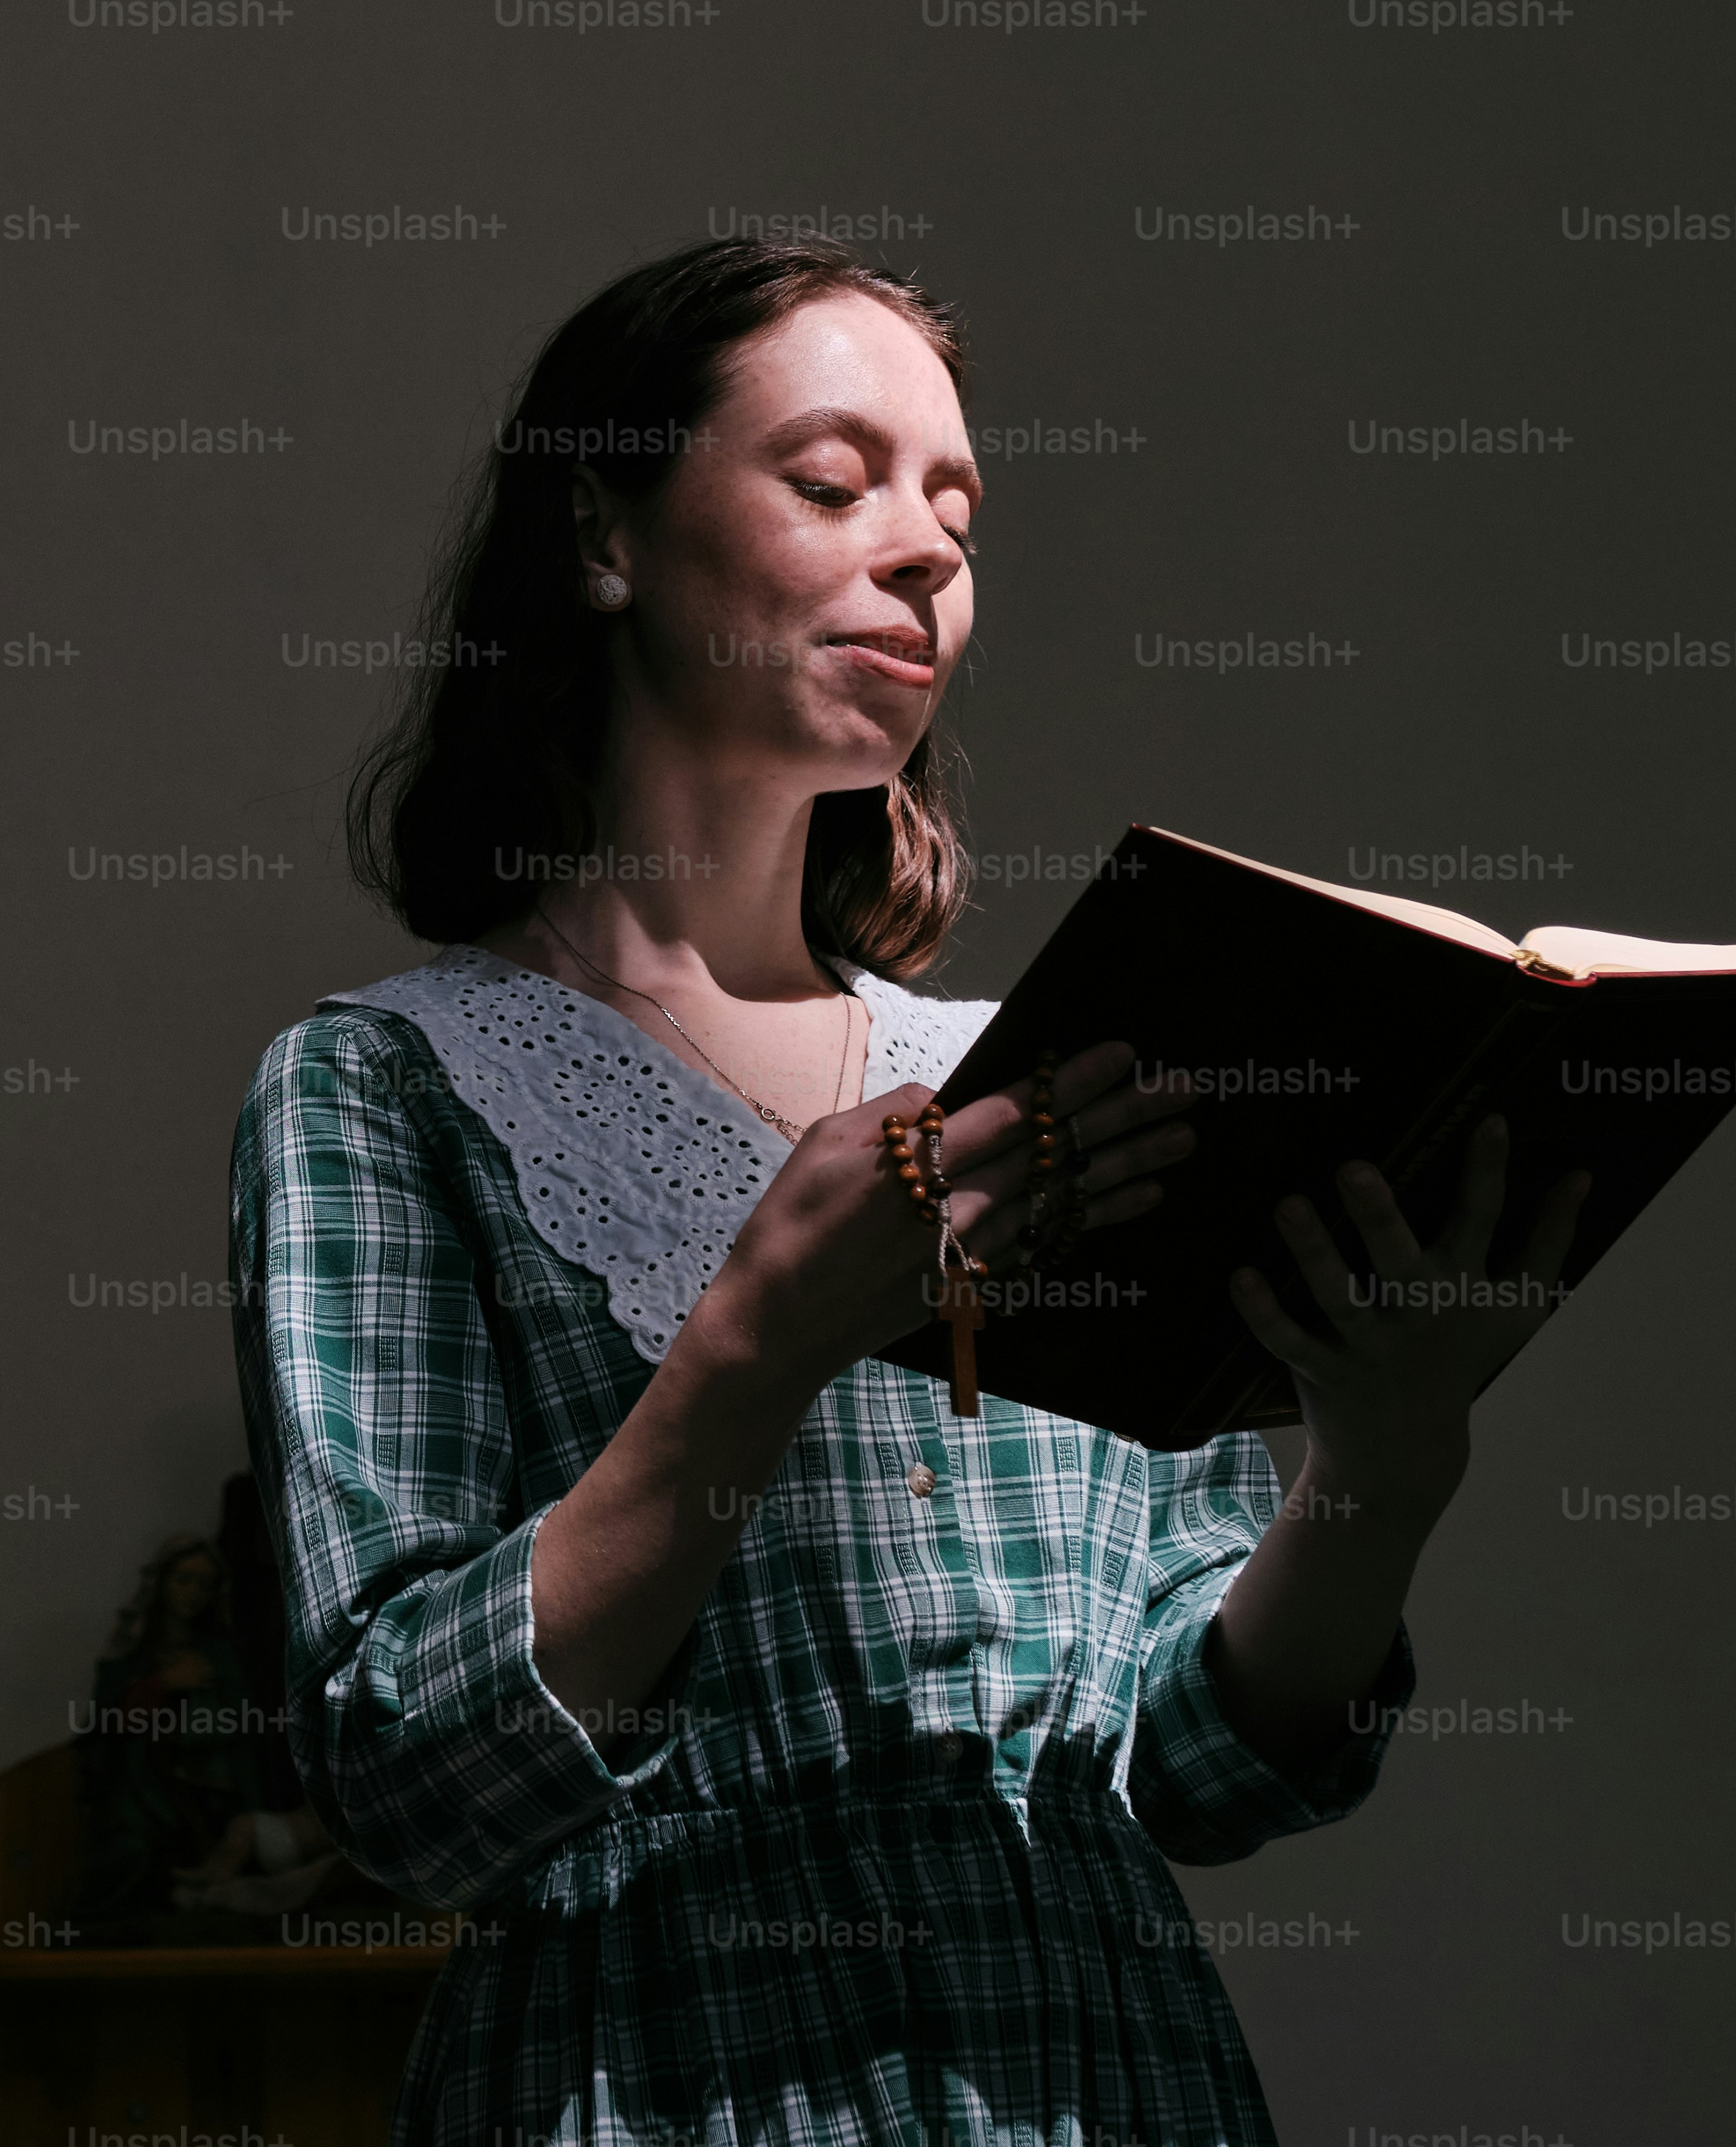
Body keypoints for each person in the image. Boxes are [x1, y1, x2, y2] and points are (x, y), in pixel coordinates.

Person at [228, 234, 1587, 2146]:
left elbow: (1196, 1767)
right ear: (606, 535)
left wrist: (1386, 1463)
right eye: (833, 478)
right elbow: (410, 1780)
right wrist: (754, 1346)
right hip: (661, 2076)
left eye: (958, 506)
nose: (930, 548)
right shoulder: (391, 1086)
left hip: (1109, 2082)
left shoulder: (1049, 1079)